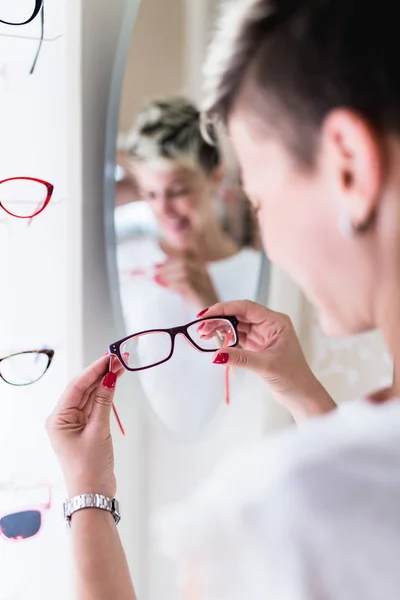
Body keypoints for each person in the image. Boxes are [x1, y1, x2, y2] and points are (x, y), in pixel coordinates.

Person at [47, 0, 400, 597]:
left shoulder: (281, 510)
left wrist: (88, 496)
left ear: (349, 167)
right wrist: (304, 392)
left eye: (259, 201)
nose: (271, 243)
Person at [115, 97, 262, 433]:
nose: (163, 209)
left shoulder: (257, 273)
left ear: (216, 175)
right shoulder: (125, 265)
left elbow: (263, 396)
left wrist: (212, 306)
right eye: (150, 194)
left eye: (178, 190)